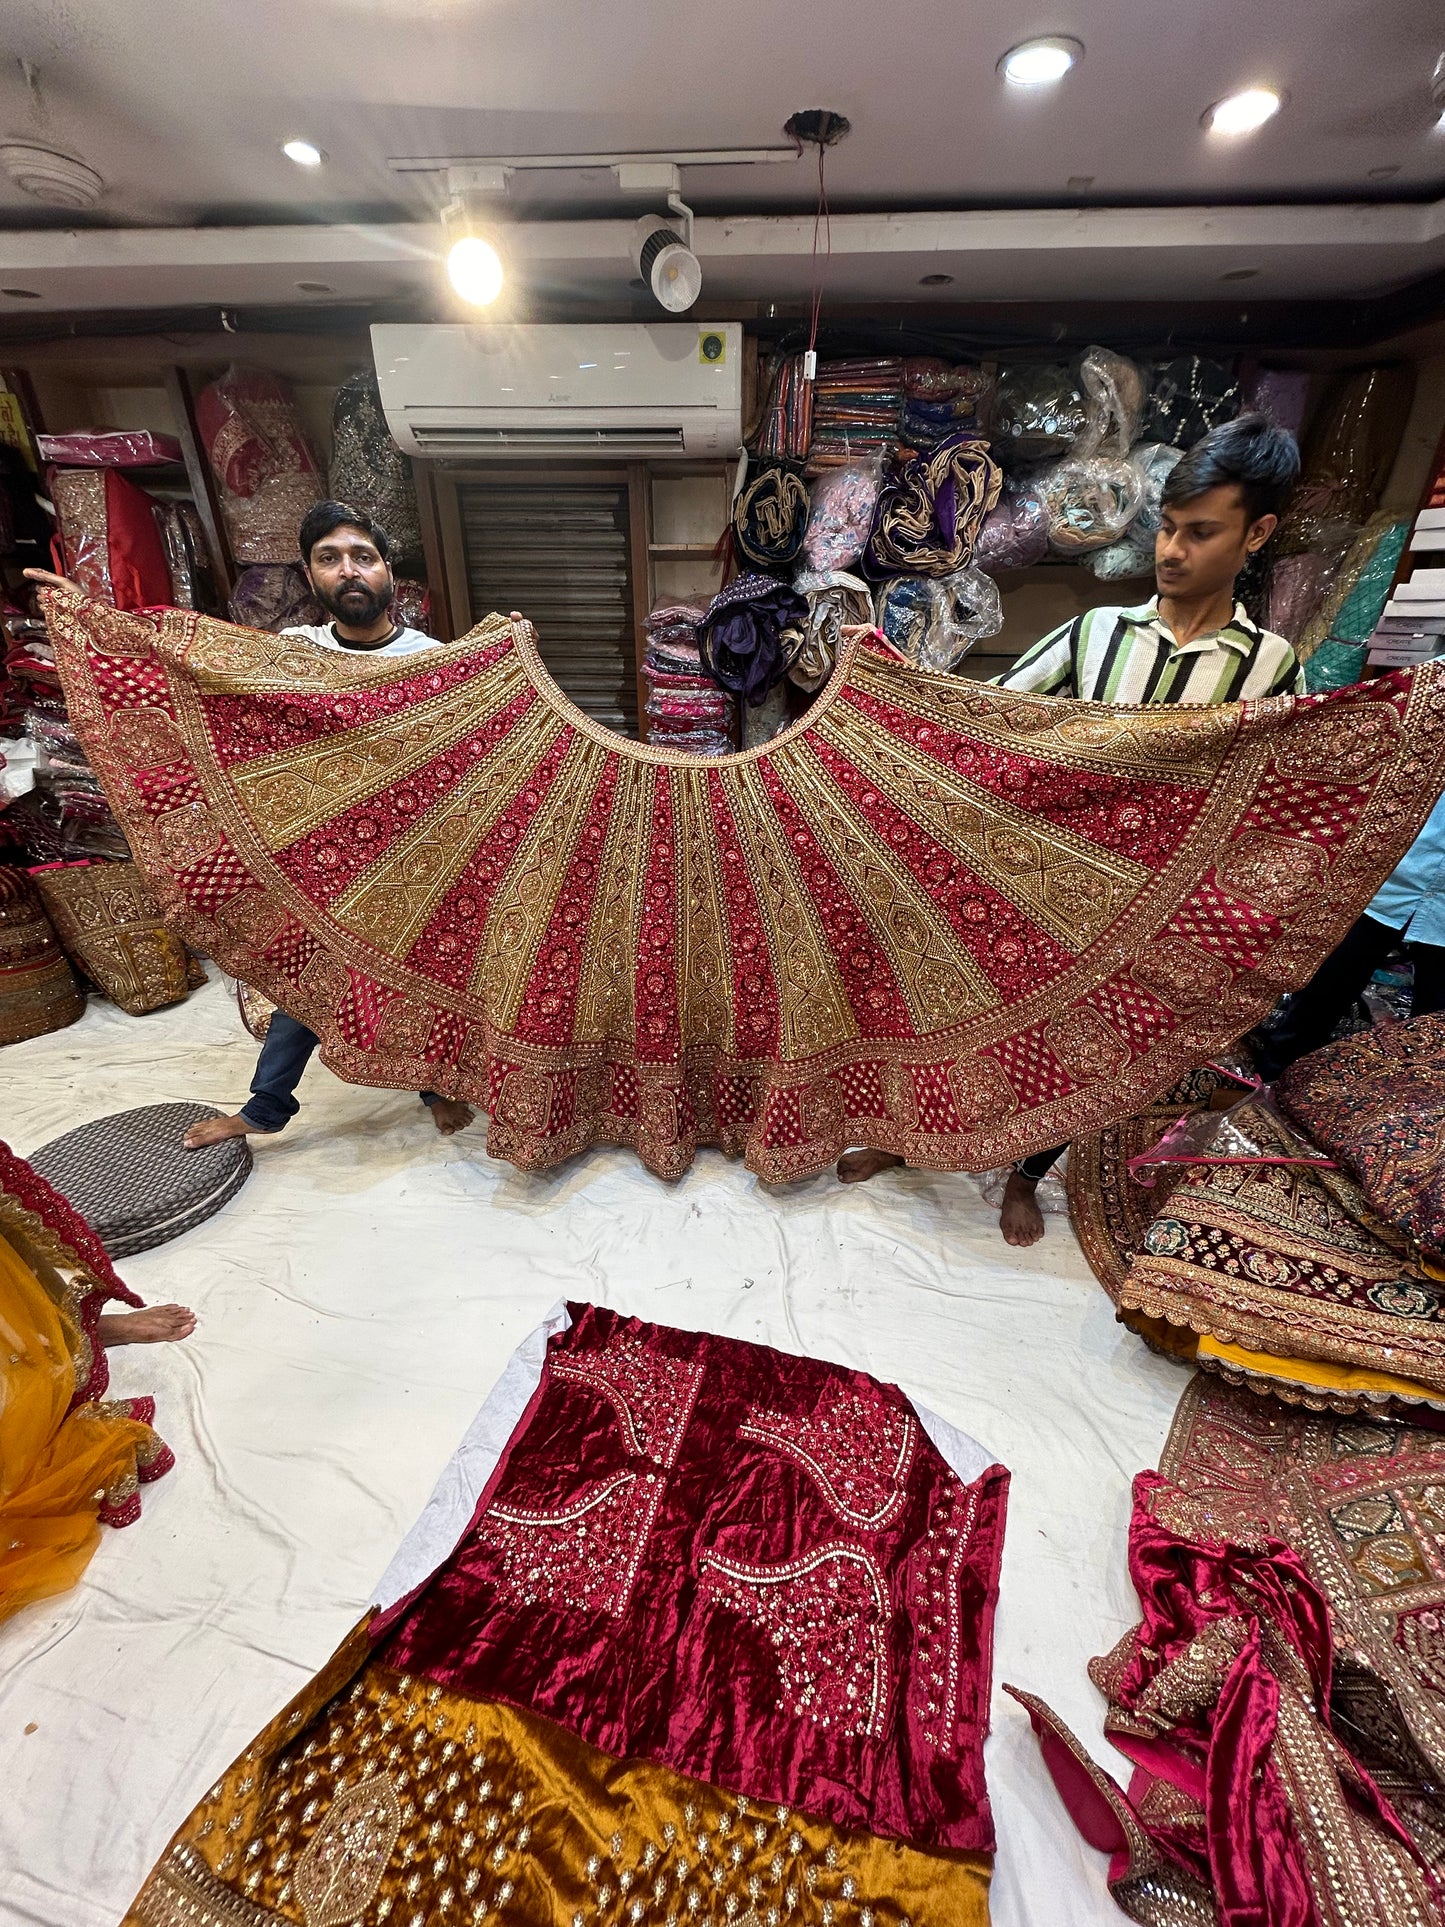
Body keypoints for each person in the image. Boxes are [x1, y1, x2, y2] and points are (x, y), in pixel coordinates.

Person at [836, 411, 1305, 1246]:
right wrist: (888, 681)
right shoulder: (1095, 634)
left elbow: (1272, 801)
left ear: (1256, 533)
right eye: (1165, 528)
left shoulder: (1269, 669)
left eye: (1200, 533)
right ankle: (906, 1138)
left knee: (1082, 1053)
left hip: (1150, 912)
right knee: (951, 1009)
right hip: (1035, 886)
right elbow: (982, 720)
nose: (1169, 551)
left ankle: (1023, 1172)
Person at [27, 501, 476, 1149]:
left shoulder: (430, 661)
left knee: (420, 975)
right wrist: (94, 621)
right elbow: (179, 662)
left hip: (408, 852)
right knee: (303, 977)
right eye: (329, 558)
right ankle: (264, 1109)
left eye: (362, 556)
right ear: (310, 575)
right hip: (317, 855)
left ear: (387, 573)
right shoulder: (287, 656)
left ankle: (433, 1086)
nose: (348, 570)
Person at [1249, 786, 1445, 1081]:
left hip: (1439, 908)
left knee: (1435, 1022)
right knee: (1325, 988)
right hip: (1388, 878)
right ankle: (1271, 1079)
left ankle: (1417, 1100)